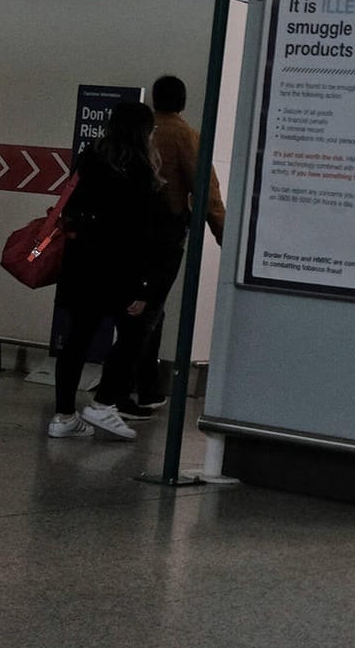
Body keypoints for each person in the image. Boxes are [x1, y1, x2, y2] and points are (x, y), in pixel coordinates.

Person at [48, 102, 181, 440]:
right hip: (121, 268)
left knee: (77, 339)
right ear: (145, 132)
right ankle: (105, 402)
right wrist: (144, 286)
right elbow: (143, 233)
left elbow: (72, 206)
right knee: (136, 332)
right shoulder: (141, 171)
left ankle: (63, 416)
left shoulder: (90, 158)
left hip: (82, 263)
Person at [134, 75, 225, 408]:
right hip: (163, 235)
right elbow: (207, 191)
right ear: (182, 102)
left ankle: (129, 383)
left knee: (134, 307)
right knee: (151, 309)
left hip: (128, 233)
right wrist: (223, 236)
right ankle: (144, 389)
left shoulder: (140, 131)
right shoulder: (185, 135)